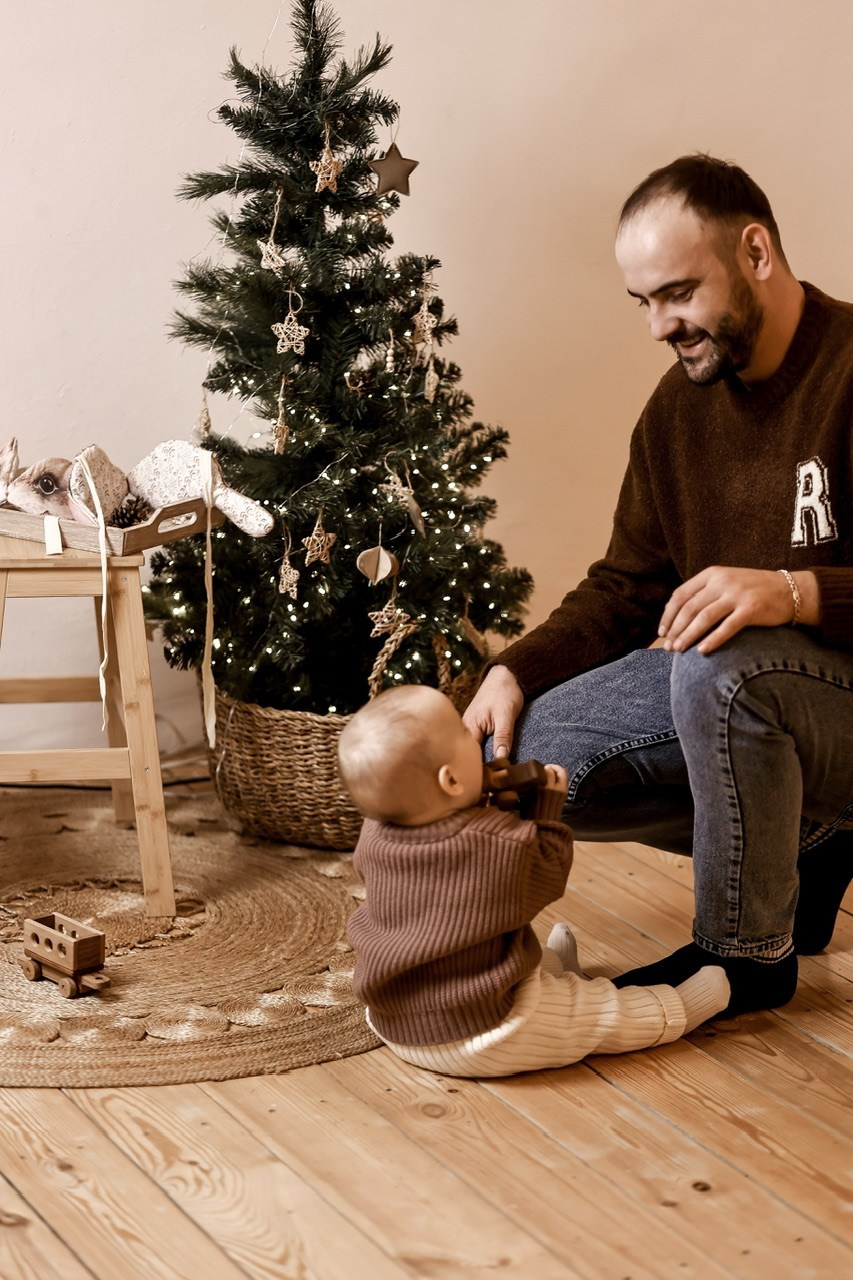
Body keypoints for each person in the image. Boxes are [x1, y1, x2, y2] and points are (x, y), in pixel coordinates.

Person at [463, 154, 853, 1013]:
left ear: (755, 252)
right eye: (642, 302)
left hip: (822, 687)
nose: (657, 326)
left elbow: (765, 622)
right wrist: (510, 673)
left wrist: (794, 593)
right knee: (536, 750)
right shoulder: (677, 412)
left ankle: (745, 956)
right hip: (750, 691)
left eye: (677, 292)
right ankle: (808, 843)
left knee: (726, 663)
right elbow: (622, 588)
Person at [338, 685, 729, 1079]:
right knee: (591, 1012)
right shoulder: (494, 844)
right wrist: (546, 811)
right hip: (482, 1032)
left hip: (395, 1018)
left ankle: (555, 965)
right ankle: (677, 1007)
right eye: (460, 732)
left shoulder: (376, 832)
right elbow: (548, 870)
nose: (470, 735)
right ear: (452, 782)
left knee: (476, 946)